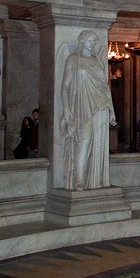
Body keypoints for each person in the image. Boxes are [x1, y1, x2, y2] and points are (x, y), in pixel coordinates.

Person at [60, 31, 116, 190]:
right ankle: (80, 178)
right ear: (82, 41)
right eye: (89, 40)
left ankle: (95, 178)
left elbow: (105, 87)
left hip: (101, 106)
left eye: (94, 40)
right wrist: (66, 110)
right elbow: (65, 86)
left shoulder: (98, 61)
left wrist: (112, 110)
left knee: (99, 144)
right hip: (82, 105)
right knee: (83, 141)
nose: (92, 43)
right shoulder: (73, 60)